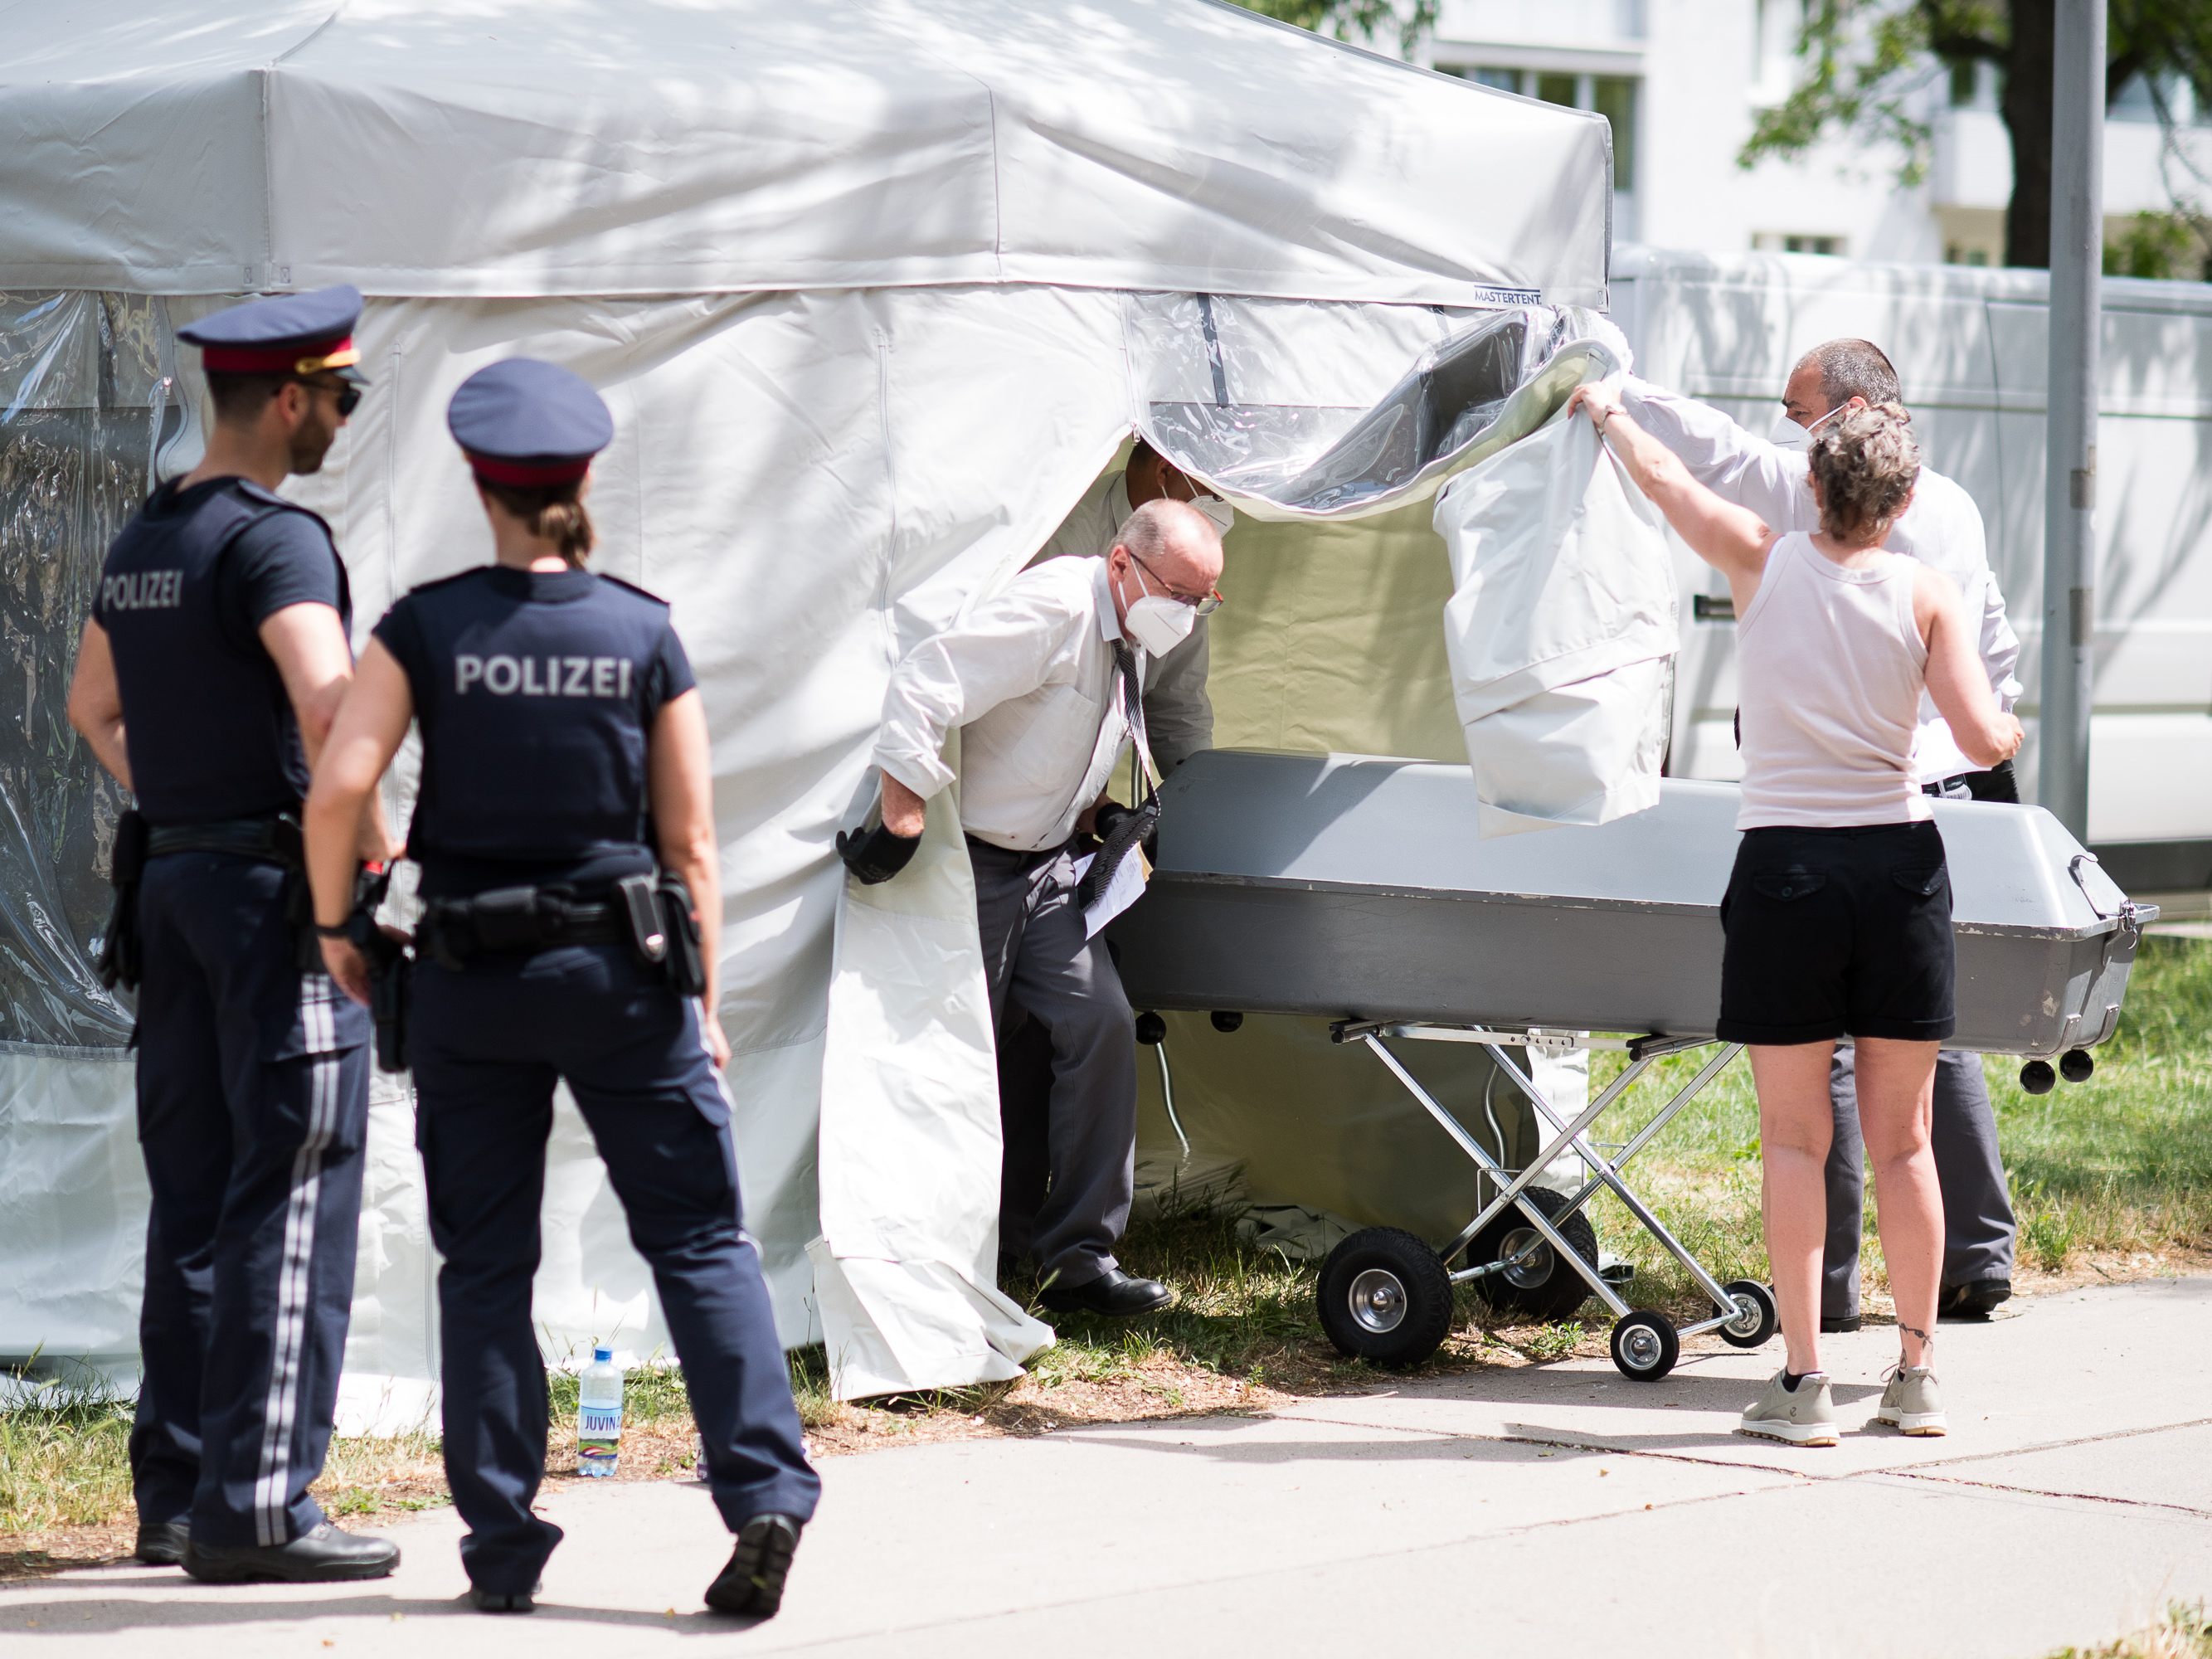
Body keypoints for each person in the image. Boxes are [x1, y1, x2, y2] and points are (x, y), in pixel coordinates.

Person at [303, 359, 819, 1618]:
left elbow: (336, 785)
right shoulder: (640, 630)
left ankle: (500, 1544)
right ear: (582, 483)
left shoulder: (423, 628)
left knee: (483, 1265)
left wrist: (338, 927)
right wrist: (700, 1004)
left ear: (480, 487)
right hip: (622, 977)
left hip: (472, 983)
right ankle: (759, 1492)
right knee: (699, 1239)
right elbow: (690, 842)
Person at [1565, 382, 2022, 1446]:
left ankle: (1804, 1383)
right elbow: (1977, 730)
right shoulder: (1928, 595)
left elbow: (1669, 478)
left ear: (1812, 484)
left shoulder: (1760, 561)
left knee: (1793, 1139)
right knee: (1907, 1140)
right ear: (1903, 501)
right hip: (1901, 875)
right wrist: (2004, 729)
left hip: (1785, 874)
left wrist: (1610, 411)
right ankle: (1915, 1374)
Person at [63, 286, 402, 1581]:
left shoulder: (148, 536)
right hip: (271, 899)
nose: (343, 420)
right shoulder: (276, 540)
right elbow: (330, 707)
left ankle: (180, 1492)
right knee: (295, 1182)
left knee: (195, 1195)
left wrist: (184, 797)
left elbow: (94, 704)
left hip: (174, 893)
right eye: (340, 398)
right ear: (289, 398)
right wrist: (364, 861)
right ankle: (260, 1506)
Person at [843, 497, 1227, 1316]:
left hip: (1051, 865)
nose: (1187, 616)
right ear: (1123, 562)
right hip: (974, 864)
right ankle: (927, 1257)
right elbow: (924, 682)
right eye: (1179, 594)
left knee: (1099, 1022)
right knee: (956, 1055)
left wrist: (1099, 819)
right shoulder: (1054, 606)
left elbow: (1056, 741)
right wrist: (903, 814)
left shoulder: (1129, 633)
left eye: (1203, 602)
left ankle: (1078, 1256)